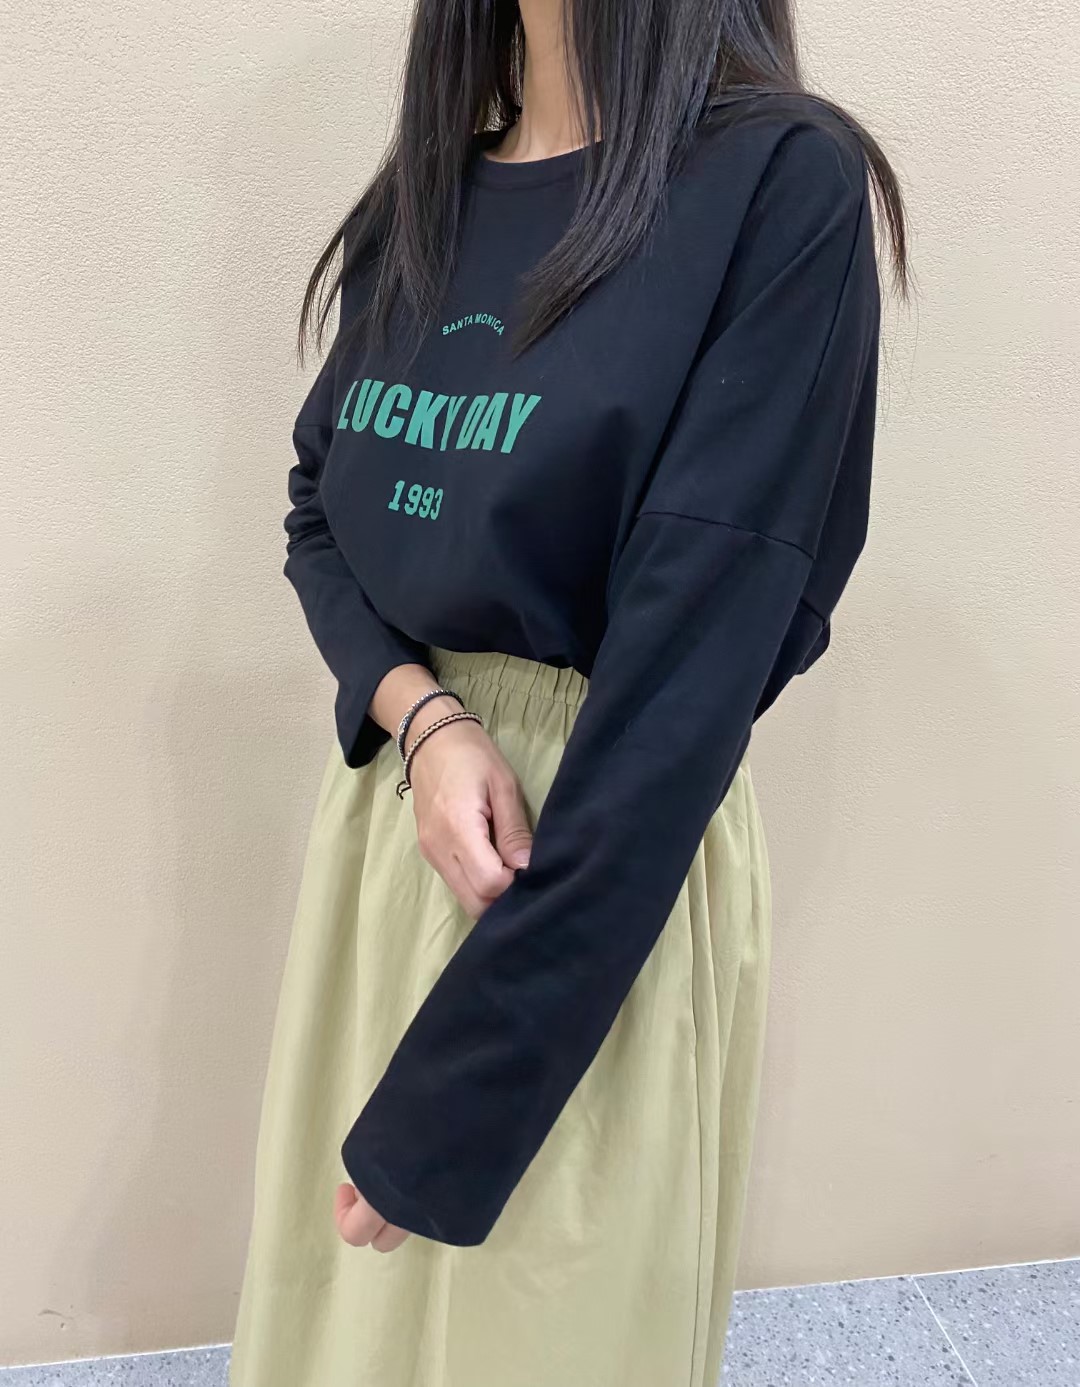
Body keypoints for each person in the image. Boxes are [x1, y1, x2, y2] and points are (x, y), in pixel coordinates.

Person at [229, 1, 908, 1383]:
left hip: (588, 868)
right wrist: (419, 715)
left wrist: (461, 1097)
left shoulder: (780, 184)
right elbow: (318, 513)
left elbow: (691, 672)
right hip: (393, 834)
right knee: (338, 1345)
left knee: (548, 1336)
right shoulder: (425, 199)